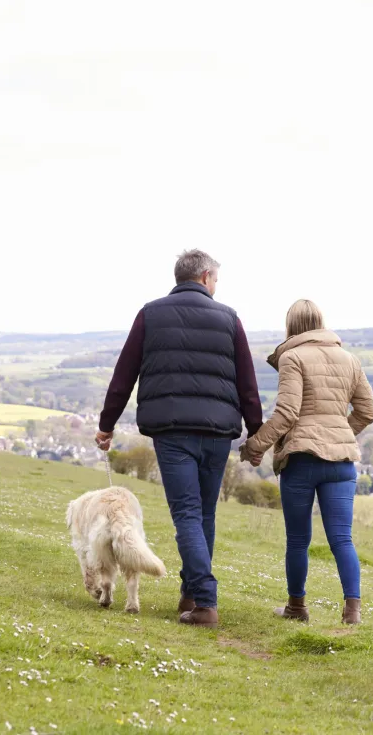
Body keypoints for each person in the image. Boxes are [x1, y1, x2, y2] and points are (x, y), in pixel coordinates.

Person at [95, 249, 262, 628]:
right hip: (218, 432)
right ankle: (192, 593)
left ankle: (203, 599)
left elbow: (124, 374)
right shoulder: (229, 319)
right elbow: (247, 382)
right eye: (216, 279)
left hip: (172, 432)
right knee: (203, 513)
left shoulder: (150, 315)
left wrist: (106, 425)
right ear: (205, 277)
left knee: (187, 513)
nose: (216, 286)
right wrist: (256, 432)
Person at [240, 299, 373, 625]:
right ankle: (353, 611)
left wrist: (255, 446)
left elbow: (287, 413)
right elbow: (367, 412)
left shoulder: (292, 357)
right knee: (342, 538)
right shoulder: (350, 359)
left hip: (302, 461)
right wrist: (340, 434)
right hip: (342, 462)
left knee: (299, 539)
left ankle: (297, 607)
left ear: (291, 327)